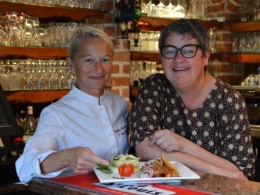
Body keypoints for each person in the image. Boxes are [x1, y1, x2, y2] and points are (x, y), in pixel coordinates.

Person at [130, 19, 255, 180]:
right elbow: (145, 151)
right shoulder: (154, 87)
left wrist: (183, 145)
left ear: (206, 57)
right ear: (161, 57)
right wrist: (223, 172)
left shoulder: (229, 100)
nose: (178, 59)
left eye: (188, 51)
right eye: (170, 51)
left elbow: (241, 173)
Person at [16, 26, 130, 183]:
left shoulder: (119, 103)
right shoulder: (56, 114)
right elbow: (25, 167)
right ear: (71, 64)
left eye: (105, 59)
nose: (99, 68)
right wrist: (66, 157)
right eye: (88, 60)